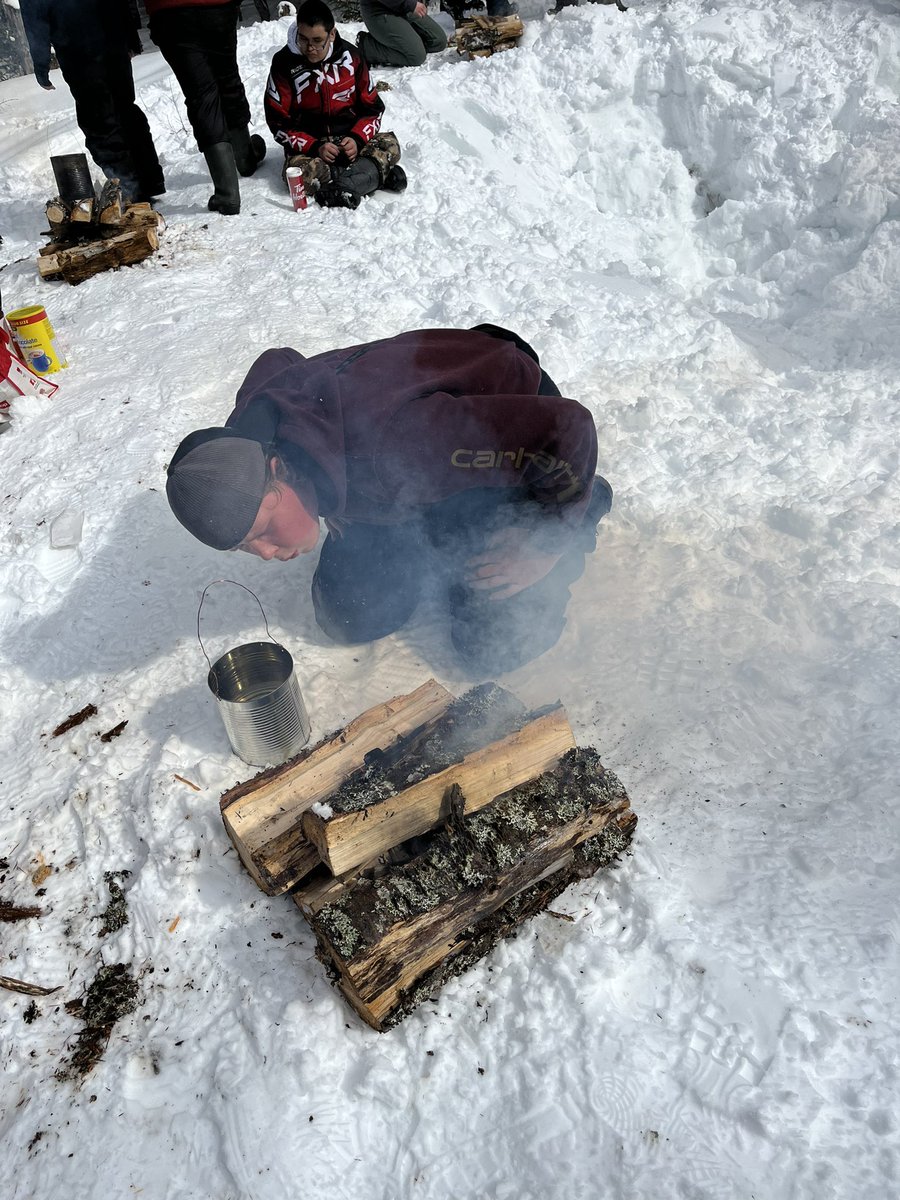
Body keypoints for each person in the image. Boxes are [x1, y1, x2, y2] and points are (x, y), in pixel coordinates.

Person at [165, 325, 612, 674]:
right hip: (401, 470)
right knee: (350, 616)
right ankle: (429, 531)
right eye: (246, 545)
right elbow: (277, 362)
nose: (264, 553)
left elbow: (568, 429)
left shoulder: (406, 439)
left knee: (491, 646)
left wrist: (545, 543)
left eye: (262, 530)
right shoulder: (250, 438)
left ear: (279, 469)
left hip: (513, 420)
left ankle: (588, 504)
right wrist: (322, 493)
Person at [265, 0, 407, 210]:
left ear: (331, 35)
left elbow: (373, 109)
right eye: (303, 39)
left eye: (317, 40)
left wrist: (357, 139)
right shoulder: (283, 63)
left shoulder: (353, 58)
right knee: (298, 176)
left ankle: (347, 183)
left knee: (390, 145)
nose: (310, 48)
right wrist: (314, 145)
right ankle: (369, 174)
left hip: (350, 138)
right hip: (311, 146)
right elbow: (277, 121)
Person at [20, 0, 165, 204]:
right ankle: (147, 182)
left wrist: (41, 62)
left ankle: (129, 189)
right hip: (112, 38)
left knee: (99, 119)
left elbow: (34, 15)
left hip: (76, 47)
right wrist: (130, 36)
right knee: (124, 109)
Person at [144, 0, 266, 216]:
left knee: (201, 95)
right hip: (217, 6)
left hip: (169, 12)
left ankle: (227, 194)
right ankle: (245, 159)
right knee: (228, 79)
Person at [357, 0, 447, 69]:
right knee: (416, 57)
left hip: (404, 8)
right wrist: (410, 4)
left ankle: (408, 43)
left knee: (438, 41)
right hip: (379, 11)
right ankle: (367, 46)